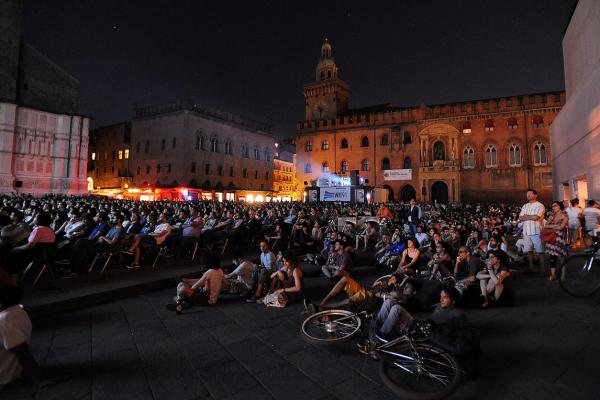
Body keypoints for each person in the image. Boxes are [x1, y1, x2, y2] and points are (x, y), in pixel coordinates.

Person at [0, 285, 43, 388]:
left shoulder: (6, 319)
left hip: (5, 375)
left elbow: (22, 352)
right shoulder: (19, 311)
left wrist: (39, 379)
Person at [519, 189, 545, 273]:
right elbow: (520, 218)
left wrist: (526, 216)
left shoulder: (540, 205)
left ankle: (543, 269)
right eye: (527, 194)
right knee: (529, 251)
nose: (528, 195)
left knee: (540, 251)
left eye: (530, 194)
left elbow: (536, 217)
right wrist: (530, 217)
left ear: (535, 195)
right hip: (526, 231)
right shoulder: (525, 205)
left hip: (536, 231)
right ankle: (531, 268)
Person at [544, 201, 568, 281]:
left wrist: (554, 226)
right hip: (551, 238)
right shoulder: (552, 215)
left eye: (555, 205)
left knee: (561, 257)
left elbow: (562, 227)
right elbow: (546, 225)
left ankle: (563, 276)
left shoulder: (565, 215)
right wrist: (554, 226)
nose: (554, 207)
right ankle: (553, 275)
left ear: (560, 206)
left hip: (559, 238)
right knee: (552, 257)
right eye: (553, 206)